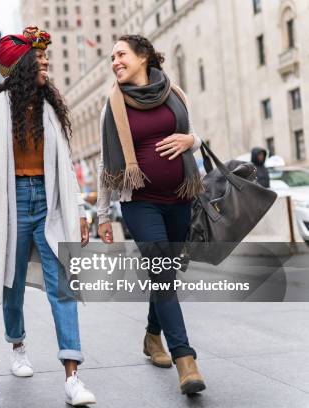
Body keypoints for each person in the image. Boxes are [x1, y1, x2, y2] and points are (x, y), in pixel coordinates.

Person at [0, 26, 96, 406]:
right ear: (19, 68)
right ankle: (17, 344)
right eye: (38, 60)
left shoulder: (50, 107)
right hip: (14, 202)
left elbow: (66, 166)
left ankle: (72, 376)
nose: (46, 64)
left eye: (45, 59)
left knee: (63, 286)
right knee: (12, 282)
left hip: (50, 202)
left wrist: (81, 211)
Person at [96, 35, 206, 395]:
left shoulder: (175, 93)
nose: (115, 61)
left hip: (180, 197)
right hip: (139, 202)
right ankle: (185, 360)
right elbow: (104, 163)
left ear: (143, 57)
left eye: (121, 54)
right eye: (112, 57)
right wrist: (101, 215)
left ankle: (151, 336)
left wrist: (193, 141)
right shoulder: (113, 105)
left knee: (167, 274)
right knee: (161, 271)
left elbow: (193, 136)